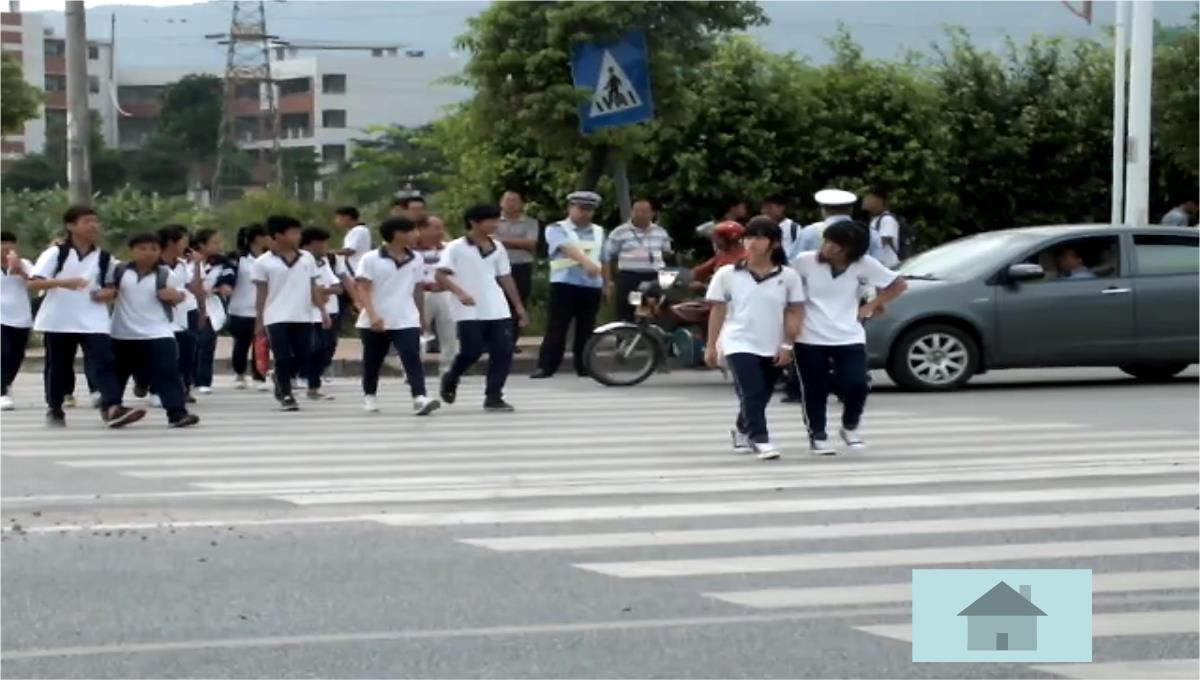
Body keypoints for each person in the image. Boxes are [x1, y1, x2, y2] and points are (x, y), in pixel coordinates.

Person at [791, 220, 907, 454]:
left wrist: (871, 305)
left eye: (836, 244)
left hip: (848, 334)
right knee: (815, 388)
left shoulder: (865, 265)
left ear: (851, 249)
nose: (827, 247)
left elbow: (898, 284)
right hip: (810, 335)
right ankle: (818, 435)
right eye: (827, 240)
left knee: (857, 384)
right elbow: (786, 289)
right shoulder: (805, 261)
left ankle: (850, 426)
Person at [26, 205, 145, 428]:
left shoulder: (105, 258)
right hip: (59, 319)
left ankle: (112, 406)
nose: (93, 226)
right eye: (87, 221)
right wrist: (64, 283)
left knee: (104, 361)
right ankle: (55, 407)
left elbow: (111, 286)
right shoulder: (56, 253)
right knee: (59, 365)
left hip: (93, 318)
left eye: (95, 221)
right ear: (71, 226)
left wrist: (107, 294)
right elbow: (33, 282)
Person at [705, 217, 805, 460]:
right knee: (751, 390)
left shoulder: (789, 276)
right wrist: (711, 346)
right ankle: (760, 439)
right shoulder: (727, 274)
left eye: (759, 237)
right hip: (738, 340)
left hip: (772, 342)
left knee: (763, 393)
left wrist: (787, 345)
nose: (752, 242)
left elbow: (795, 311)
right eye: (748, 237)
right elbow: (717, 310)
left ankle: (741, 428)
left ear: (774, 244)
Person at [435, 203, 529, 412]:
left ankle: (494, 395)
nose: (495, 224)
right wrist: (460, 293)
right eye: (490, 220)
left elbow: (505, 277)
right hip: (468, 309)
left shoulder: (498, 247)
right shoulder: (456, 247)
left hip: (497, 306)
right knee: (471, 351)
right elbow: (440, 275)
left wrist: (518, 307)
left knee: (503, 350)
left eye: (497, 220)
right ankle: (452, 377)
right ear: (474, 222)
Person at [108, 232, 199, 428]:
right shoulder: (119, 271)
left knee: (168, 372)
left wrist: (174, 296)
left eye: (153, 249)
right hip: (122, 332)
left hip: (158, 331)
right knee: (117, 374)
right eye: (142, 248)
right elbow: (107, 291)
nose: (148, 253)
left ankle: (177, 413)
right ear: (131, 251)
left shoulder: (166, 274)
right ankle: (112, 408)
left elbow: (182, 295)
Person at [356, 217, 440, 415]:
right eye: (411, 231)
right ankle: (370, 395)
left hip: (405, 317)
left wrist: (421, 316)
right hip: (375, 319)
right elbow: (363, 289)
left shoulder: (416, 258)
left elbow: (417, 289)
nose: (416, 235)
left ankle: (419, 397)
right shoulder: (371, 259)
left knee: (412, 356)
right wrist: (373, 314)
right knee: (373, 360)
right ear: (397, 234)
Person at [252, 215, 326, 412]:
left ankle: (279, 376)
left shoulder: (307, 258)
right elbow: (261, 293)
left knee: (304, 354)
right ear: (278, 235)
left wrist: (323, 311)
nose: (298, 236)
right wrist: (259, 321)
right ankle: (286, 394)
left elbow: (313, 286)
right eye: (293, 232)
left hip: (302, 315)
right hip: (275, 315)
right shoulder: (263, 263)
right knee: (282, 356)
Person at [532, 191, 608, 379]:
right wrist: (585, 262)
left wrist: (607, 283)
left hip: (591, 286)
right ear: (570, 208)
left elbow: (605, 260)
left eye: (589, 210)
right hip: (564, 283)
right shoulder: (557, 228)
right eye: (581, 208)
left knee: (586, 327)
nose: (585, 213)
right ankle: (546, 366)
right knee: (557, 327)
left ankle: (584, 366)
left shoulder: (599, 232)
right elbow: (566, 247)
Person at [604, 197, 673, 322]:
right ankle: (625, 338)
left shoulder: (660, 232)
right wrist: (608, 281)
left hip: (652, 277)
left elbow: (667, 252)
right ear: (632, 212)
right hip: (629, 277)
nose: (640, 214)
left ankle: (644, 337)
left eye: (644, 211)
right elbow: (607, 256)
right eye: (636, 211)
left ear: (652, 213)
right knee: (627, 312)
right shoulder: (619, 232)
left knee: (648, 313)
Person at [158, 225, 203, 404]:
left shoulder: (184, 264)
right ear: (171, 242)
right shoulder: (156, 263)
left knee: (188, 350)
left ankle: (184, 386)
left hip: (184, 313)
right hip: (163, 315)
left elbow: (194, 287)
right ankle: (150, 383)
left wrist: (198, 265)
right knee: (165, 353)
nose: (187, 243)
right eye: (183, 239)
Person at [300, 226, 343, 400]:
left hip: (328, 311)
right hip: (307, 313)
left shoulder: (325, 261)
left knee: (328, 347)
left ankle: (307, 380)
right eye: (321, 243)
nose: (325, 246)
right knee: (314, 348)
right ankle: (311, 385)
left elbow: (337, 287)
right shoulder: (301, 261)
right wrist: (319, 293)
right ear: (310, 244)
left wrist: (323, 292)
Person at [227, 223, 270, 391]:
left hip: (264, 307)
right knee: (242, 343)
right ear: (258, 238)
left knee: (261, 343)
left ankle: (259, 375)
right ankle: (239, 373)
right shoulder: (238, 258)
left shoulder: (270, 258)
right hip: (240, 307)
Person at [192, 228, 233, 395]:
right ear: (202, 244)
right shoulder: (187, 261)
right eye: (214, 242)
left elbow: (229, 279)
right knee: (191, 345)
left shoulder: (223, 263)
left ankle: (203, 380)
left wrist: (225, 286)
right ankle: (190, 377)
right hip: (188, 306)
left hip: (210, 306)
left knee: (207, 342)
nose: (219, 245)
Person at [495, 190, 539, 347]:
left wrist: (499, 240)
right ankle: (494, 341)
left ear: (521, 204)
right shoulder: (493, 221)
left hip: (521, 267)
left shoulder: (530, 223)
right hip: (495, 268)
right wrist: (518, 242)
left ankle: (511, 341)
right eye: (507, 200)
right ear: (501, 202)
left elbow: (531, 244)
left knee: (518, 304)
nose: (511, 203)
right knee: (496, 303)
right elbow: (487, 241)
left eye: (515, 200)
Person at [791, 189, 884, 261]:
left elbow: (794, 261)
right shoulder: (869, 232)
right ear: (851, 209)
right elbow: (880, 262)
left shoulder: (809, 232)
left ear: (823, 209)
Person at [417, 215, 457, 375]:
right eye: (436, 228)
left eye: (441, 227)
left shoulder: (449, 248)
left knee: (450, 332)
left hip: (445, 293)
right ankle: (412, 369)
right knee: (417, 332)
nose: (440, 231)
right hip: (420, 294)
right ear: (422, 229)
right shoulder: (410, 250)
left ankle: (448, 369)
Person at [1, 231, 34, 411]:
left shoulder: (26, 264)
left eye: (10, 243)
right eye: (2, 243)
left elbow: (36, 284)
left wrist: (20, 271)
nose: (6, 247)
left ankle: (5, 384)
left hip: (20, 317)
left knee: (16, 355)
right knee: (3, 352)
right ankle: (1, 392)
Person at [690, 220, 746, 288]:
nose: (714, 240)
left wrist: (703, 287)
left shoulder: (742, 258)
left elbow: (732, 286)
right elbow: (699, 271)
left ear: (726, 238)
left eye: (717, 237)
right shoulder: (723, 254)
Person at [863, 189, 902, 268]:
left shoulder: (887, 219)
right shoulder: (875, 220)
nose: (865, 202)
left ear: (880, 201)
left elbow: (882, 242)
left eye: (869, 199)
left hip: (888, 266)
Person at [335, 206, 372, 276]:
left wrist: (332, 253)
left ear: (347, 218)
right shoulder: (360, 230)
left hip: (354, 269)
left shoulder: (357, 230)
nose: (337, 221)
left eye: (339, 218)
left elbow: (350, 250)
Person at [761, 195, 800, 260]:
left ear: (781, 208)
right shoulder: (761, 228)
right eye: (763, 208)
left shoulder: (793, 228)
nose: (765, 211)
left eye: (769, 207)